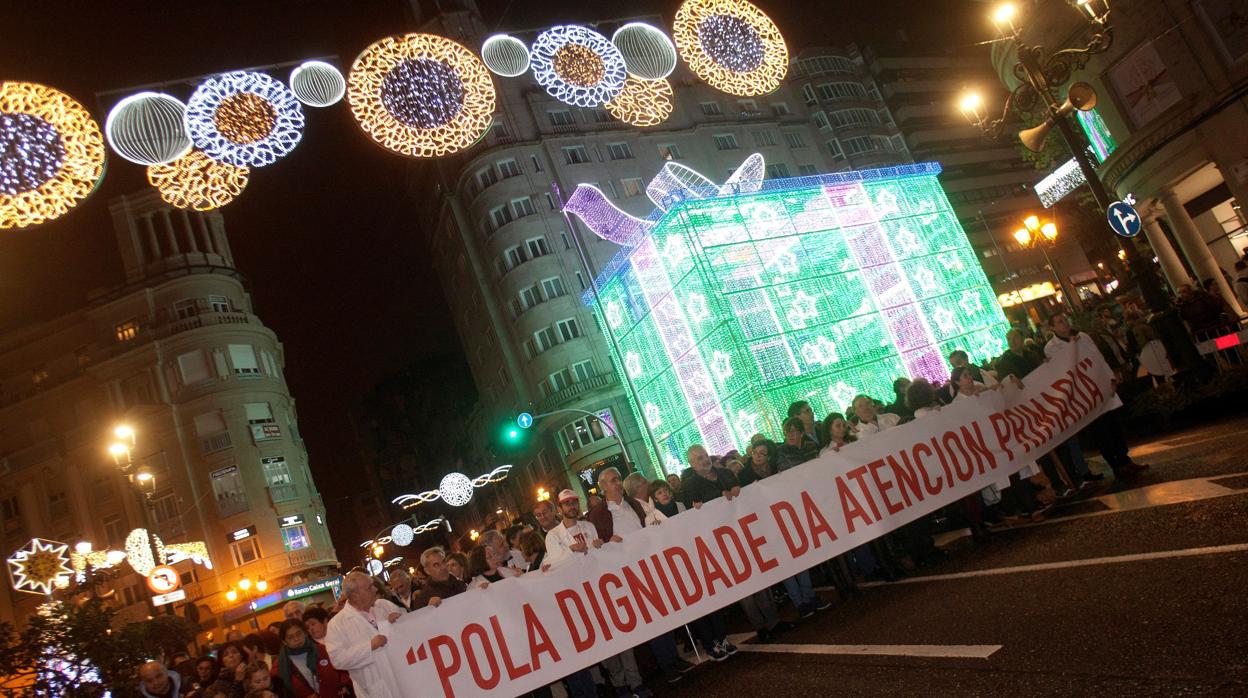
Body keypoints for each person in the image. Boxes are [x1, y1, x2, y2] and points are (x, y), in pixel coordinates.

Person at [589, 468, 692, 688]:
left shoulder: (633, 503)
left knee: (664, 612)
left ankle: (674, 658)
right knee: (650, 618)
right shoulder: (598, 514)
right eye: (612, 481)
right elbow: (597, 544)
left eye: (618, 479)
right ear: (603, 486)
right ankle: (665, 665)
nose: (618, 483)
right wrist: (608, 543)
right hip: (625, 573)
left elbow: (647, 522)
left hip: (647, 564)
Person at [1046, 313, 1148, 480]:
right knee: (1101, 430)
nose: (1064, 324)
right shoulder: (1051, 347)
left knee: (1114, 425)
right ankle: (1115, 465)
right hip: (1084, 393)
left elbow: (1098, 357)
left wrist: (1110, 378)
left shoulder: (1082, 336)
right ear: (1052, 328)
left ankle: (1125, 460)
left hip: (1099, 385)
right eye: (1059, 322)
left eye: (1065, 320)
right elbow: (1062, 369)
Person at [678, 448, 740, 661]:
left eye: (704, 456)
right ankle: (710, 642)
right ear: (692, 465)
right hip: (703, 546)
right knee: (707, 597)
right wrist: (719, 496)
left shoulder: (723, 474)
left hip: (730, 537)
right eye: (698, 459)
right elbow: (692, 511)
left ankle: (722, 637)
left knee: (719, 596)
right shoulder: (689, 485)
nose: (704, 461)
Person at [324, 570, 404, 698]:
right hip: (374, 691)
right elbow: (338, 660)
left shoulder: (384, 606)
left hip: (404, 678)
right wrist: (369, 646)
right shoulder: (337, 624)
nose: (375, 589)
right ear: (355, 595)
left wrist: (400, 621)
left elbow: (411, 630)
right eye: (369, 587)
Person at [297, 607, 350, 698]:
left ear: (325, 621)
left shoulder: (340, 636)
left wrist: (345, 683)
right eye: (308, 627)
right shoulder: (309, 648)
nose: (311, 629)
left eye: (313, 624)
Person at [545, 489, 603, 568]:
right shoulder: (553, 536)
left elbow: (600, 554)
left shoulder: (589, 526)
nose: (572, 507)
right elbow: (554, 564)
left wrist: (600, 545)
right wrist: (571, 549)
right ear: (559, 509)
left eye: (574, 503)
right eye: (567, 504)